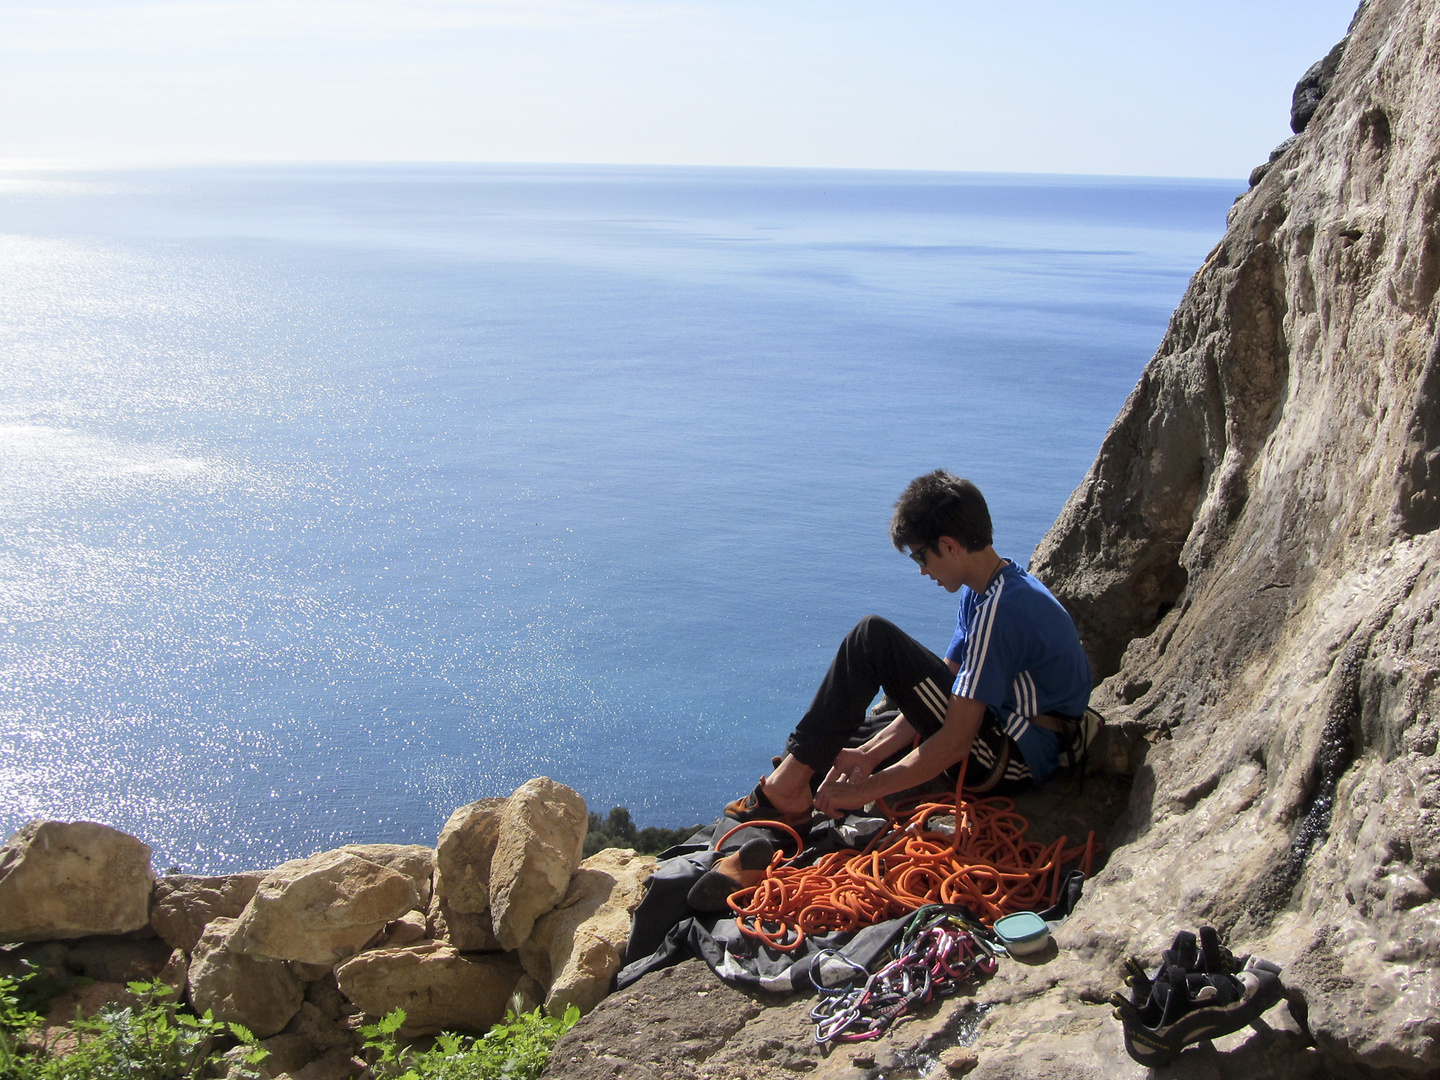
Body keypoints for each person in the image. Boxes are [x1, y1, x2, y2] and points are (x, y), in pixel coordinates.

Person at [725, 469, 1092, 829]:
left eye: (920, 557)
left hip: (1014, 760)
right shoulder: (986, 590)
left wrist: (865, 790)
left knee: (872, 639)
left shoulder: (1003, 609)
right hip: (998, 729)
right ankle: (795, 785)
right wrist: (867, 755)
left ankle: (786, 793)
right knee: (851, 740)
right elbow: (946, 682)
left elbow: (956, 741)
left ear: (949, 545)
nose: (921, 571)